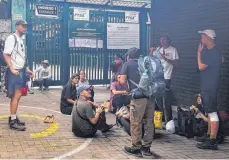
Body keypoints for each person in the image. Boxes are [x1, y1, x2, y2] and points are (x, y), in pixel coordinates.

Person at [120, 48, 155, 158]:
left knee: (136, 122)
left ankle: (135, 147)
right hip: (150, 96)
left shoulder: (127, 64)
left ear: (128, 56)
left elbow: (122, 81)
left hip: (138, 98)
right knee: (149, 122)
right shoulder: (145, 63)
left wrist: (127, 89)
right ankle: (146, 147)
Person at [3, 20, 33, 131]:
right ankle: (12, 121)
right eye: (23, 26)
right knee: (16, 95)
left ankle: (13, 117)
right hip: (15, 72)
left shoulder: (21, 39)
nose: (25, 28)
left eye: (26, 26)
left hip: (20, 71)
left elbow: (21, 57)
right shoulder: (12, 38)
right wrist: (12, 68)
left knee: (18, 95)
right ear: (17, 27)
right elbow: (6, 54)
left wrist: (27, 69)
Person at [195, 29, 223, 150]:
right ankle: (209, 136)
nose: (201, 39)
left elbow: (201, 66)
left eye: (202, 37)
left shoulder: (213, 53)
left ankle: (212, 140)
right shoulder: (214, 52)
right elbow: (222, 60)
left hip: (211, 86)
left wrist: (198, 52)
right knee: (210, 112)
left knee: (212, 112)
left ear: (208, 38)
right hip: (208, 86)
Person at [154, 34, 179, 122]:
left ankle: (168, 119)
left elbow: (176, 64)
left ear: (168, 41)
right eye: (161, 40)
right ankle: (162, 118)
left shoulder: (173, 50)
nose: (161, 41)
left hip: (167, 77)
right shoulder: (159, 50)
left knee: (166, 99)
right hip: (158, 77)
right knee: (158, 98)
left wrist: (165, 58)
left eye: (163, 40)